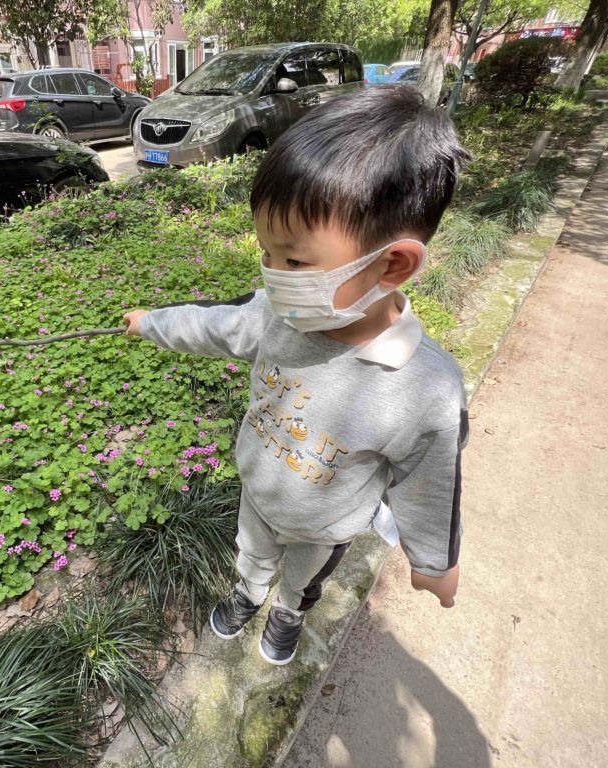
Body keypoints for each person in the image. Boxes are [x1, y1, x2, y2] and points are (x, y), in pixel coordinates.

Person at [122, 85, 471, 666]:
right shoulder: (276, 314)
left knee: (304, 579)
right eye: (266, 253)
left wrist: (434, 563)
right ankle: (248, 593)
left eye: (295, 261)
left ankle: (286, 611)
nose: (272, 276)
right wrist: (151, 322)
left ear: (394, 263)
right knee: (251, 553)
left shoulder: (424, 388)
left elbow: (431, 483)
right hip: (260, 492)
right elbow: (211, 325)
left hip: (326, 526)